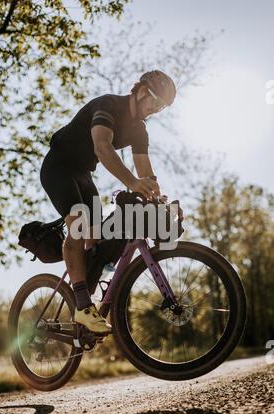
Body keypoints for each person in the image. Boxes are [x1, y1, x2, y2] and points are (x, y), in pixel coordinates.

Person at [40, 70, 176, 334]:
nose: (156, 109)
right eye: (155, 101)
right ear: (141, 91)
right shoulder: (108, 105)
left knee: (98, 237)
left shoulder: (139, 131)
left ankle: (85, 291)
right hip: (58, 167)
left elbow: (144, 171)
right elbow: (103, 148)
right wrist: (133, 183)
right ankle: (81, 306)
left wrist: (156, 196)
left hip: (81, 173)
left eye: (161, 107)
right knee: (79, 227)